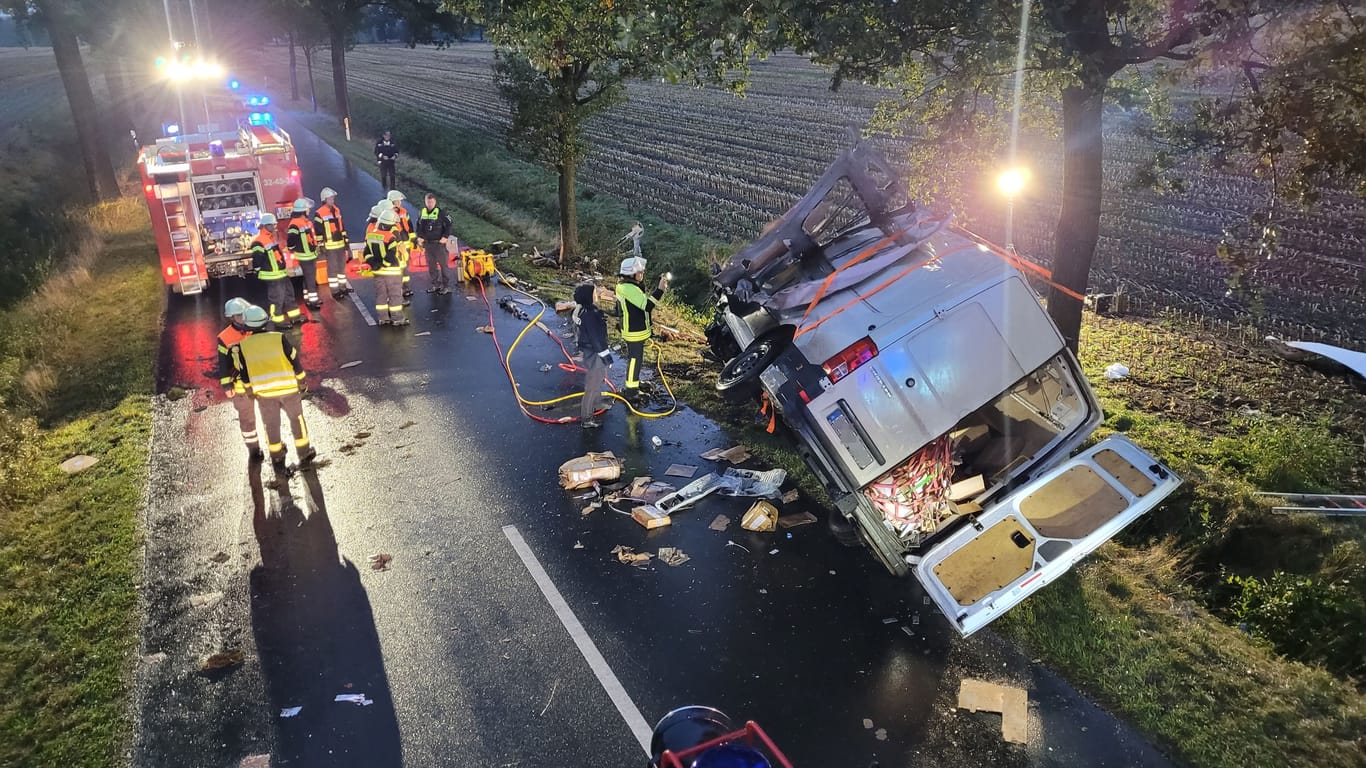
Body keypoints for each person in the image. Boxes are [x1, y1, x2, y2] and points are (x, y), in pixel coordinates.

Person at [233, 305, 315, 468]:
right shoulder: (278, 338)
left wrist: (249, 391)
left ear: (247, 325)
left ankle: (277, 456)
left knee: (271, 424)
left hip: (264, 393)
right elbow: (294, 360)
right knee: (297, 419)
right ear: (265, 322)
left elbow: (244, 372)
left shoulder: (243, 346)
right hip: (289, 389)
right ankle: (304, 452)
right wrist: (302, 381)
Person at [614, 256, 668, 402]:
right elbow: (647, 306)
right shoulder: (628, 288)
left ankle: (635, 383)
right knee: (634, 360)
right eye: (640, 272)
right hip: (633, 331)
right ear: (631, 274)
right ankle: (631, 391)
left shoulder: (628, 286)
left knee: (636, 359)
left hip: (635, 330)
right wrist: (660, 290)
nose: (642, 274)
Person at [217, 297, 262, 460]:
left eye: (244, 314)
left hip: (260, 381)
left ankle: (276, 445)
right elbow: (223, 363)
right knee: (247, 419)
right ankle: (253, 449)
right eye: (239, 316)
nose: (243, 319)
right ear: (231, 318)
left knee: (270, 415)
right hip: (241, 386)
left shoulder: (255, 327)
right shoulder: (224, 337)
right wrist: (227, 385)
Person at [250, 212, 301, 329]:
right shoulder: (259, 241)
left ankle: (295, 317)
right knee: (276, 299)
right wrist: (257, 270)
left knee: (289, 295)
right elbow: (257, 258)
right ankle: (277, 321)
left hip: (280, 273)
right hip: (272, 276)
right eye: (273, 225)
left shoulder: (270, 238)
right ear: (265, 226)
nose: (275, 227)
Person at [573, 283, 613, 428]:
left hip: (592, 352)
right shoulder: (591, 315)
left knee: (599, 377)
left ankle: (597, 403)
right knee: (592, 385)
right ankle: (587, 418)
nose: (597, 295)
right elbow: (596, 339)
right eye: (594, 293)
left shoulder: (589, 312)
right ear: (588, 297)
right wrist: (606, 357)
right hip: (594, 353)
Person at [366, 208, 408, 326]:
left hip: (377, 272)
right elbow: (391, 255)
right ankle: (397, 318)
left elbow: (366, 253)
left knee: (381, 295)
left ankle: (383, 318)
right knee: (395, 296)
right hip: (391, 272)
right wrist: (385, 264)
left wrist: (374, 264)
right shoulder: (390, 237)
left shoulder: (371, 235)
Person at [314, 187, 352, 299]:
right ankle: (335, 291)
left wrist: (346, 243)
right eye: (330, 198)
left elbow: (342, 227)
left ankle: (343, 288)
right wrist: (321, 245)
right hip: (329, 247)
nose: (332, 200)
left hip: (340, 244)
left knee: (341, 268)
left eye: (333, 198)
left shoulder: (337, 210)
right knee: (333, 269)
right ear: (324, 199)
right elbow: (318, 231)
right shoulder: (319, 213)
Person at [286, 197, 323, 310]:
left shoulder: (303, 222)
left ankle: (308, 298)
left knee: (307, 279)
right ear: (302, 210)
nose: (309, 211)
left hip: (309, 255)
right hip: (305, 256)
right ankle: (313, 302)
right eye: (307, 209)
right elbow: (291, 240)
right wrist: (293, 248)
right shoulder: (295, 224)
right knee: (311, 279)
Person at [416, 193, 452, 294]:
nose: (429, 204)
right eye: (428, 202)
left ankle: (446, 286)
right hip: (428, 244)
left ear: (435, 202)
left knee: (443, 265)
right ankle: (435, 284)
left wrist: (445, 237)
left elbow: (449, 225)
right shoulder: (422, 212)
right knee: (431, 266)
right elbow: (418, 226)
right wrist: (419, 237)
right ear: (425, 201)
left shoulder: (441, 213)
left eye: (431, 202)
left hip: (439, 244)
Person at [387, 190, 416, 301]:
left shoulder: (404, 211)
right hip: (397, 246)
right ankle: (397, 290)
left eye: (400, 201)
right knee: (398, 267)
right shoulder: (388, 214)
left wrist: (413, 238)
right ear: (392, 201)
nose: (400, 203)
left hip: (406, 243)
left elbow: (410, 225)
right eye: (398, 201)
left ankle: (406, 288)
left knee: (405, 267)